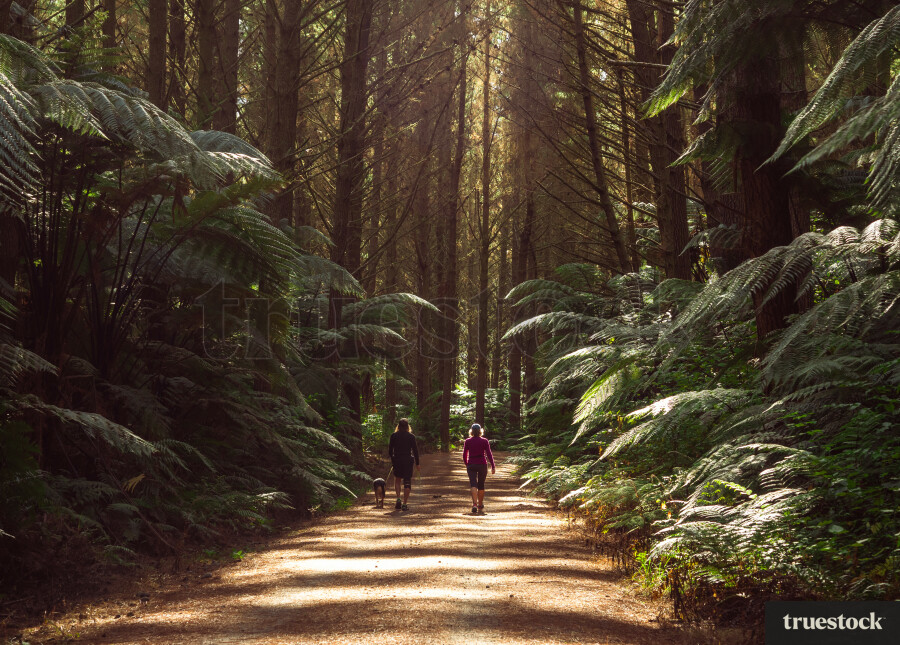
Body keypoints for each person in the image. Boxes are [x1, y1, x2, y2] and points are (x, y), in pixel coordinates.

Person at [388, 418, 420, 510]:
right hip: (408, 461)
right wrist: (417, 464)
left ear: (398, 426)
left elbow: (390, 450)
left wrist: (393, 459)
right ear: (407, 426)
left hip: (397, 460)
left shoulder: (393, 436)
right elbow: (415, 451)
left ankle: (398, 498)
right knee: (407, 482)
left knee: (397, 480)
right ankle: (405, 504)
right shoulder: (411, 436)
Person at [462, 423, 495, 514]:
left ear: (471, 431)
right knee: (481, 484)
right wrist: (493, 465)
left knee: (473, 484)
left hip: (471, 464)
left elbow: (464, 454)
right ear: (480, 431)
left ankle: (474, 504)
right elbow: (489, 454)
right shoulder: (484, 441)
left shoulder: (468, 441)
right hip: (482, 464)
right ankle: (480, 504)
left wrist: (467, 464)